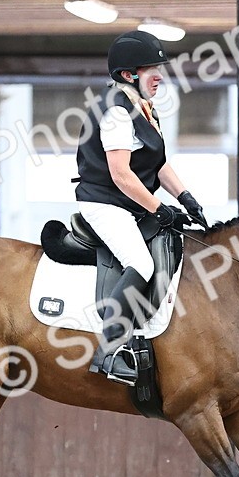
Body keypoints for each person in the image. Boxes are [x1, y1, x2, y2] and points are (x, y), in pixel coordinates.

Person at [74, 30, 208, 384]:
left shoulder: (144, 109)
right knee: (141, 263)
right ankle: (109, 350)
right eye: (151, 68)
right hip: (105, 202)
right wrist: (158, 209)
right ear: (128, 74)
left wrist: (186, 198)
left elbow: (157, 164)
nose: (159, 75)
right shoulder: (116, 112)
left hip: (129, 202)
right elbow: (121, 174)